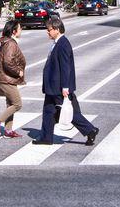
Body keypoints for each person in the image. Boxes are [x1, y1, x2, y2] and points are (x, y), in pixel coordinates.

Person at [33, 16, 99, 146]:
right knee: (48, 111)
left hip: (58, 86)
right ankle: (46, 137)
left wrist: (65, 87)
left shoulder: (63, 44)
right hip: (53, 86)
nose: (48, 32)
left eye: (49, 29)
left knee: (69, 112)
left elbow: (65, 67)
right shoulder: (58, 42)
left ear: (57, 29)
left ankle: (90, 130)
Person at [0, 19, 26, 138]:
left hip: (6, 78)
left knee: (10, 104)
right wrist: (18, 72)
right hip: (7, 79)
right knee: (17, 104)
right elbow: (8, 61)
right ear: (14, 31)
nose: (21, 30)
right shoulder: (11, 44)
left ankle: (8, 130)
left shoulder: (8, 42)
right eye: (19, 28)